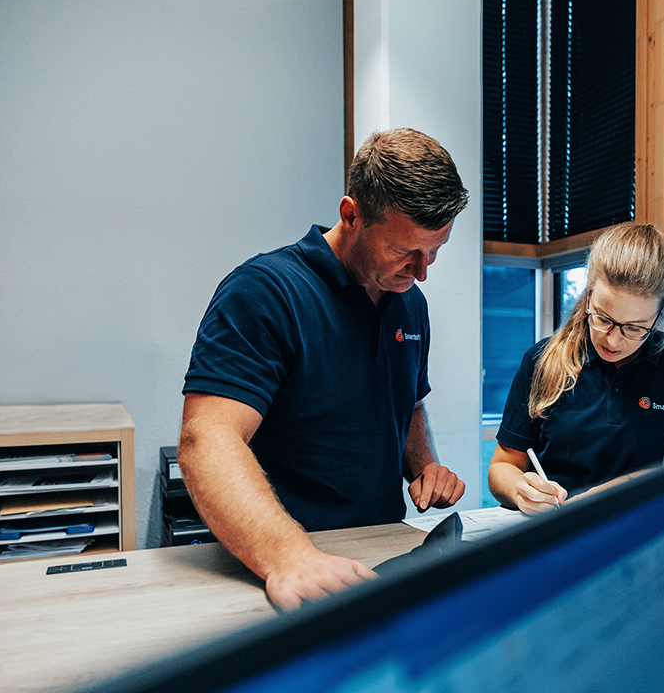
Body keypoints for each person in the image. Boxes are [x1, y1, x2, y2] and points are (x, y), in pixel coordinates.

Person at [179, 128, 469, 609]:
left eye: (434, 251)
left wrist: (425, 465)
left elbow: (409, 399)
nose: (421, 272)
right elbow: (206, 440)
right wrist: (288, 556)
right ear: (351, 216)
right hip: (281, 559)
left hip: (380, 549)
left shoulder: (409, 303)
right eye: (404, 252)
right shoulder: (265, 292)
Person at [489, 222, 664, 514]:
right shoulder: (541, 360)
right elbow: (504, 465)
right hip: (560, 530)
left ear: (661, 314)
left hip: (651, 528)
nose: (613, 339)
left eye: (634, 328)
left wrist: (619, 490)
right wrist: (521, 491)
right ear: (589, 295)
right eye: (603, 318)